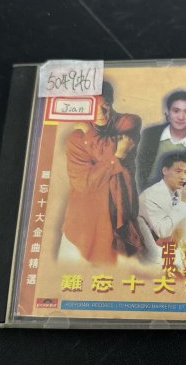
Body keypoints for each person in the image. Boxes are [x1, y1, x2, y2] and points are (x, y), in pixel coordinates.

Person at [60, 81, 144, 265]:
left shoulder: (129, 121)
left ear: (111, 102)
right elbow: (85, 183)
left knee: (128, 268)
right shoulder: (75, 138)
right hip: (87, 215)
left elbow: (110, 149)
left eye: (104, 105)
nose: (99, 113)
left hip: (122, 210)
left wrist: (89, 131)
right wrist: (118, 156)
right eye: (92, 107)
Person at [136, 90, 186, 192]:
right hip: (142, 193)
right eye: (176, 111)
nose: (181, 117)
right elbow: (136, 169)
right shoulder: (149, 134)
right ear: (167, 111)